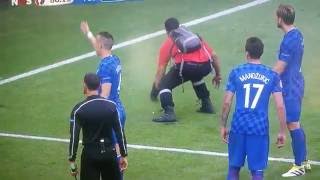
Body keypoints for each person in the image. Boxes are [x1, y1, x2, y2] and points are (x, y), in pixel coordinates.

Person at [220, 37, 286, 180]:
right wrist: (282, 131)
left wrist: (223, 125)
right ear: (261, 53)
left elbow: (226, 102)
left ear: (247, 53)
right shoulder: (272, 75)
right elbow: (280, 105)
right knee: (257, 171)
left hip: (238, 126)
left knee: (233, 168)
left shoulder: (236, 72)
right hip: (259, 128)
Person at [151, 17, 222, 122]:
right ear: (179, 26)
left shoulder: (169, 42)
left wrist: (157, 85)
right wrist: (217, 74)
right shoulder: (194, 37)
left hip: (188, 68)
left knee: (164, 84)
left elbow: (161, 69)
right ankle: (207, 104)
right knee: (195, 75)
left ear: (166, 31)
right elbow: (214, 56)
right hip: (205, 67)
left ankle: (169, 113)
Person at [80, 21, 126, 175]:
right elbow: (98, 46)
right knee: (116, 148)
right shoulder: (114, 59)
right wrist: (88, 33)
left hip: (109, 112)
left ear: (101, 45)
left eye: (97, 43)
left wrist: (92, 108)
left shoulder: (105, 67)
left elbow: (104, 95)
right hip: (118, 108)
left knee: (114, 153)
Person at [273, 4, 310, 177]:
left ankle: (299, 166)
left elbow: (280, 67)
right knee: (296, 121)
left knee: (293, 123)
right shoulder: (297, 33)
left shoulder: (289, 40)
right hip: (296, 81)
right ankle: (304, 160)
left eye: (276, 16)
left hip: (290, 85)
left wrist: (265, 77)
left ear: (280, 18)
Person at [68, 73, 128, 180]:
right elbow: (120, 132)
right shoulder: (111, 106)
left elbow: (74, 137)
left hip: (90, 156)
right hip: (110, 154)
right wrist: (124, 155)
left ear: (85, 85)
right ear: (100, 85)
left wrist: (72, 161)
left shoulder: (78, 109)